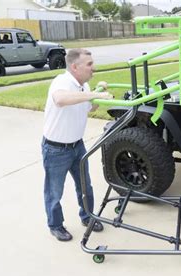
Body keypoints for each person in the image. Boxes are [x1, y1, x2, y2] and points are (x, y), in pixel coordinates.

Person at [42, 48, 113, 241]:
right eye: (89, 64)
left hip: (77, 146)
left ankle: (87, 216)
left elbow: (89, 108)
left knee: (85, 186)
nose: (93, 68)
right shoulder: (62, 81)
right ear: (74, 67)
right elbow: (60, 99)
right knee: (54, 191)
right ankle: (55, 225)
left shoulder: (85, 86)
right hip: (56, 148)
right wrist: (91, 95)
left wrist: (99, 94)